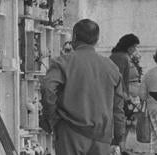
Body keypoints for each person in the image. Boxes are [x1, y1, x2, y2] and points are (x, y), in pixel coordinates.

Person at [41, 19, 126, 155]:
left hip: (70, 132)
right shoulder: (111, 67)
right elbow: (118, 107)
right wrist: (119, 136)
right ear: (97, 39)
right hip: (101, 137)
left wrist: (51, 118)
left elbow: (48, 89)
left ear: (74, 37)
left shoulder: (63, 62)